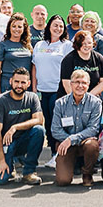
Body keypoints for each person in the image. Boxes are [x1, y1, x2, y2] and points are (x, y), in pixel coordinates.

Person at [0, 68, 45, 186]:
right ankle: (9, 164)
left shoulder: (32, 97)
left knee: (39, 130)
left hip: (22, 140)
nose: (19, 85)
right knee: (0, 180)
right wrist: (1, 161)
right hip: (4, 143)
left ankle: (29, 172)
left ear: (28, 84)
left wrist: (15, 127)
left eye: (23, 82)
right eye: (16, 81)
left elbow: (39, 120)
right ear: (10, 81)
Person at [50, 69, 103, 187]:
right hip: (66, 144)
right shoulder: (60, 103)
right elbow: (55, 129)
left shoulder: (96, 103)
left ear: (88, 85)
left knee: (92, 145)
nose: (80, 85)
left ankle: (87, 174)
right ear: (71, 84)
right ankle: (65, 168)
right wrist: (68, 141)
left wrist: (72, 139)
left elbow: (93, 128)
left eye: (84, 83)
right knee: (63, 181)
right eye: (77, 82)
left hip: (85, 141)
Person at [32, 14, 72, 166]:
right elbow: (34, 67)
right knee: (47, 123)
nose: (58, 28)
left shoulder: (67, 45)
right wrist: (34, 88)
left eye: (61, 26)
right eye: (55, 25)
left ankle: (60, 155)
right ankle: (53, 153)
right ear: (49, 26)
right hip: (42, 90)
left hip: (58, 90)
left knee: (57, 123)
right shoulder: (39, 45)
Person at [0, 13, 33, 95]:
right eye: (14, 26)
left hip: (25, 87)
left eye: (19, 27)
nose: (16, 29)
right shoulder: (2, 45)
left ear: (24, 29)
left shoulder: (27, 46)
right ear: (9, 28)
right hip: (8, 86)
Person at [60, 30, 103, 97]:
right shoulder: (69, 59)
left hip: (92, 97)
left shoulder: (99, 58)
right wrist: (77, 98)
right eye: (83, 43)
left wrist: (88, 97)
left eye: (89, 43)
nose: (86, 46)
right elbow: (66, 83)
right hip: (71, 97)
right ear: (78, 44)